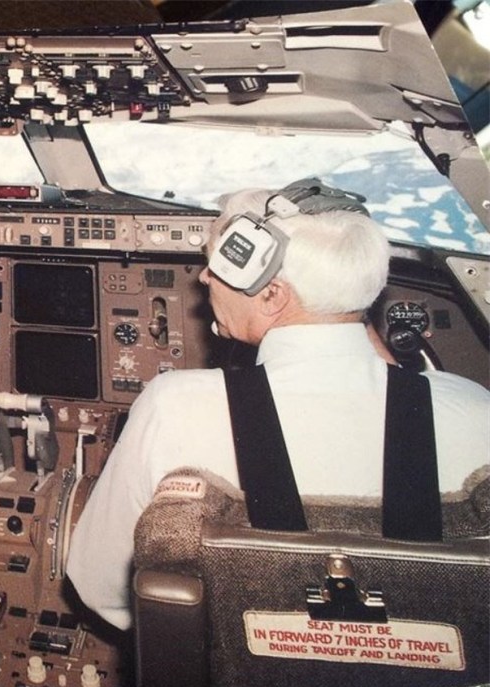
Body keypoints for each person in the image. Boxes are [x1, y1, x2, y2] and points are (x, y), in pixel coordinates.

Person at [66, 179, 490, 631]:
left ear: (273, 295)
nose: (205, 278)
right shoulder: (474, 410)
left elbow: (100, 587)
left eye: (217, 268)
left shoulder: (175, 406)